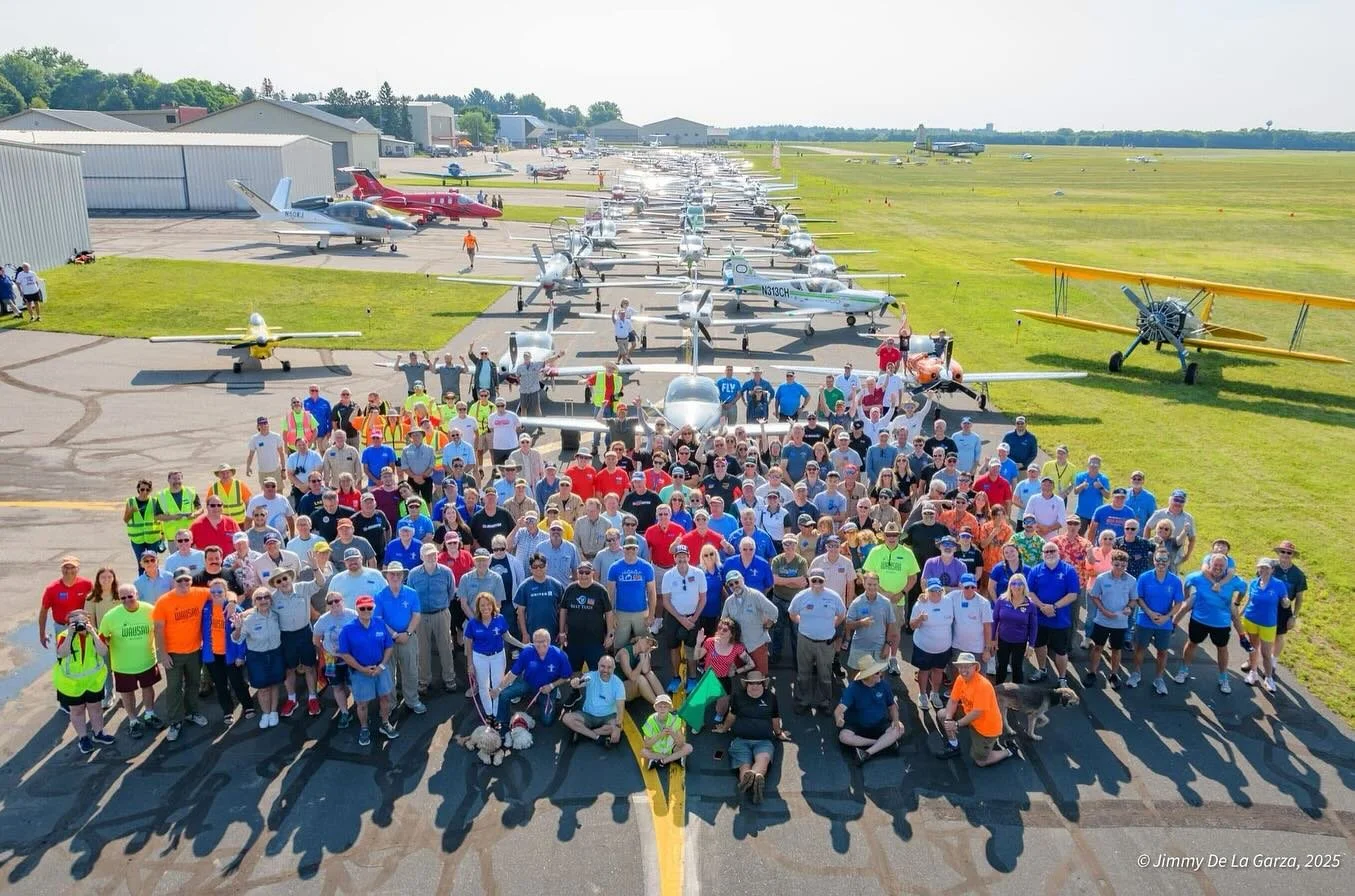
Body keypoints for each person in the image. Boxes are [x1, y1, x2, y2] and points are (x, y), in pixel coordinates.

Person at [1173, 552, 1247, 694]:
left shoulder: (1234, 581)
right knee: (1191, 644)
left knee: (1222, 648)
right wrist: (1187, 596)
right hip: (1199, 620)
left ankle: (1223, 677)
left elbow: (1244, 588)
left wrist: (1237, 602)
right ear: (1210, 565)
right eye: (1215, 565)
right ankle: (1184, 670)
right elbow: (1187, 582)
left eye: (1221, 566)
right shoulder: (1199, 577)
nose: (1218, 568)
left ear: (1227, 568)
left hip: (1221, 624)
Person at [151, 570, 210, 742]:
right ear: (174, 581)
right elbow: (158, 629)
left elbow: (221, 591)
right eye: (180, 580)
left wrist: (231, 601)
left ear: (191, 581)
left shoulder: (199, 593)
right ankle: (175, 721)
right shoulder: (164, 601)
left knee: (194, 683)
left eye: (187, 580)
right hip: (173, 654)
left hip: (194, 651)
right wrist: (163, 653)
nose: (184, 583)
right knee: (174, 688)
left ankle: (192, 712)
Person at [714, 669, 789, 804]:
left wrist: (778, 733)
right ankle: (756, 779)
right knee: (745, 765)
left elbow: (775, 717)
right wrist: (724, 728)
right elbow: (732, 715)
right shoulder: (738, 696)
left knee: (763, 759)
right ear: (747, 685)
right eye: (751, 684)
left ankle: (748, 782)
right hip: (741, 740)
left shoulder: (771, 697)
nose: (754, 686)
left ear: (763, 684)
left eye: (757, 683)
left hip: (763, 740)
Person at [336, 594, 400, 745]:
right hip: (360, 672)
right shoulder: (347, 629)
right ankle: (364, 728)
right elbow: (344, 654)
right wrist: (362, 669)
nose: (366, 610)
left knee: (385, 698)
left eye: (369, 608)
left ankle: (385, 723)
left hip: (380, 669)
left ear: (373, 609)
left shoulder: (380, 623)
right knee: (362, 704)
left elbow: (389, 646)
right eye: (362, 608)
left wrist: (382, 666)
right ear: (357, 610)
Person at [935, 652, 1018, 766]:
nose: (963, 670)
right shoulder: (960, 678)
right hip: (970, 716)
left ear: (975, 667)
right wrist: (949, 719)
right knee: (943, 715)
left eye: (967, 666)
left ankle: (1009, 751)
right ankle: (954, 745)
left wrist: (956, 724)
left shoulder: (983, 686)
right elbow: (953, 700)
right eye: (961, 666)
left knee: (980, 762)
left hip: (986, 727)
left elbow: (977, 713)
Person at [52, 608, 115, 753]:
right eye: (74, 622)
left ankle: (99, 733)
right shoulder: (63, 635)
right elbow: (62, 653)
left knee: (96, 709)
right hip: (71, 684)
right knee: (77, 711)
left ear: (88, 621)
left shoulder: (96, 634)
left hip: (93, 682)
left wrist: (92, 633)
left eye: (82, 621)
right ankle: (83, 738)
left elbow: (103, 652)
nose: (79, 624)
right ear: (68, 624)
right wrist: (70, 634)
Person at [788, 571, 846, 714]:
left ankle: (824, 702)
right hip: (805, 641)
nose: (817, 584)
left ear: (825, 581)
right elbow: (792, 614)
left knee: (825, 674)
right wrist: (802, 623)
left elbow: (842, 614)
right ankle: (803, 701)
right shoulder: (801, 596)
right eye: (814, 581)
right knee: (803, 673)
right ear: (809, 580)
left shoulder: (833, 597)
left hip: (825, 643)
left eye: (820, 581)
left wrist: (832, 625)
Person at [1128, 550, 1185, 695]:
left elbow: (1179, 603)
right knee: (1140, 648)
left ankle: (1159, 678)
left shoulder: (1175, 581)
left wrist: (1167, 617)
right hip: (1145, 619)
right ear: (1153, 560)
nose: (1161, 563)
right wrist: (1149, 612)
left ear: (1169, 562)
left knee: (1162, 652)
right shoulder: (1144, 577)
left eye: (1164, 560)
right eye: (1158, 560)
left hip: (1164, 623)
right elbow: (1139, 597)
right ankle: (1136, 673)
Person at [491, 628, 573, 729]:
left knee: (547, 721)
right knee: (504, 695)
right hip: (527, 683)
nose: (540, 645)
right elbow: (512, 674)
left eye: (543, 641)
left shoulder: (560, 655)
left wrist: (552, 686)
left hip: (546, 688)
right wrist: (498, 689)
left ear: (549, 641)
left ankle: (550, 701)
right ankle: (502, 723)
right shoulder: (527, 652)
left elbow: (567, 677)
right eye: (537, 642)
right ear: (533, 642)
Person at [1026, 542, 1081, 688]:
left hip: (1060, 619)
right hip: (1040, 616)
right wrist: (1043, 607)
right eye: (1046, 551)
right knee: (1039, 645)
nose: (1049, 554)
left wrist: (1054, 607)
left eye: (1052, 551)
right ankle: (1042, 670)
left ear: (1058, 552)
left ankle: (1062, 678)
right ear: (1042, 554)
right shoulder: (1035, 570)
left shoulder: (1069, 570)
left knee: (1061, 651)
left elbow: (1073, 594)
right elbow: (1030, 593)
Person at [374, 561, 425, 715]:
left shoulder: (411, 593)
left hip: (408, 638)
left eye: (398, 574)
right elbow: (379, 620)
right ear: (387, 576)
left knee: (411, 671)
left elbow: (416, 615)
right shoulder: (380, 595)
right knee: (388, 673)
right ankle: (390, 703)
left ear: (403, 576)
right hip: (387, 641)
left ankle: (412, 700)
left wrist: (407, 633)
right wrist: (395, 635)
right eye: (392, 574)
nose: (395, 576)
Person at [230, 588, 284, 728]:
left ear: (270, 600)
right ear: (254, 602)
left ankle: (273, 712)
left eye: (266, 597)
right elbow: (237, 639)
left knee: (274, 684)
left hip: (276, 653)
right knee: (263, 687)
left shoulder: (276, 615)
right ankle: (265, 713)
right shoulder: (248, 620)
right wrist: (237, 628)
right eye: (259, 598)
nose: (263, 600)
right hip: (257, 657)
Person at [835, 656, 905, 763]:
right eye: (877, 672)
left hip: (880, 724)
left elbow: (892, 706)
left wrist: (895, 720)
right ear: (868, 676)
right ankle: (883, 743)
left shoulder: (884, 685)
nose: (880, 674)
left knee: (900, 727)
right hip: (857, 725)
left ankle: (867, 753)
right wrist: (838, 719)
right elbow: (839, 710)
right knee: (843, 737)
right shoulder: (853, 688)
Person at [201, 578, 252, 722]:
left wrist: (241, 655)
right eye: (213, 592)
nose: (216, 594)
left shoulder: (234, 609)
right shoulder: (204, 608)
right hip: (212, 656)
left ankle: (248, 705)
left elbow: (242, 634)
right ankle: (227, 711)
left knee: (238, 682)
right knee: (221, 685)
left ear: (226, 592)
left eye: (219, 591)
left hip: (231, 655)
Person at [1084, 552, 1135, 689]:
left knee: (1116, 649)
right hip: (1102, 620)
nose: (1120, 568)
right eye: (1117, 564)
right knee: (1098, 647)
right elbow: (1094, 596)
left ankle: (1113, 674)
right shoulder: (1102, 578)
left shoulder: (1131, 580)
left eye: (1123, 565)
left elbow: (1133, 599)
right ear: (1112, 563)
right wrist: (1103, 610)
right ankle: (1092, 673)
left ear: (1127, 565)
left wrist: (1129, 608)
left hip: (1120, 622)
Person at [661, 544, 708, 692]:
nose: (681, 558)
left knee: (691, 648)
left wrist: (693, 619)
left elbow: (703, 598)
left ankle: (692, 678)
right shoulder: (668, 575)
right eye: (678, 556)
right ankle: (676, 677)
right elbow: (666, 601)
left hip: (693, 616)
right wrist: (681, 619)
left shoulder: (698, 573)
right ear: (674, 558)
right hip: (674, 618)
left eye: (684, 555)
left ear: (688, 556)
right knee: (674, 648)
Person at [1240, 557, 1287, 694]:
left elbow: (1284, 599)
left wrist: (1286, 602)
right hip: (1251, 619)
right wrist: (1239, 614)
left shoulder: (1278, 584)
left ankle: (1269, 678)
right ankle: (1253, 673)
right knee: (1253, 648)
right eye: (1261, 567)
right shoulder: (1254, 582)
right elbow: (1249, 601)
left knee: (1266, 653)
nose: (1263, 570)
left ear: (1272, 570)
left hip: (1268, 624)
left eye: (1266, 568)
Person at [312, 590, 358, 728]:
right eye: (330, 602)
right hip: (332, 659)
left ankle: (359, 710)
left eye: (337, 600)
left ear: (342, 601)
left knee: (353, 685)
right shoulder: (323, 620)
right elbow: (316, 640)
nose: (334, 604)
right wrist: (327, 651)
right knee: (337, 686)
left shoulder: (353, 615)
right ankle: (344, 713)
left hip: (351, 658)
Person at [563, 654, 627, 747]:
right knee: (566, 718)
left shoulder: (618, 684)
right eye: (602, 666)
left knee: (619, 728)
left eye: (609, 667)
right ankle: (596, 736)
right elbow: (580, 682)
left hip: (608, 716)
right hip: (588, 715)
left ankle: (584, 733)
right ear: (598, 666)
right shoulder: (590, 676)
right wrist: (575, 683)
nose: (605, 670)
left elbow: (620, 708)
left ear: (614, 668)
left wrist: (617, 727)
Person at [39, 556, 94, 651]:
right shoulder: (52, 589)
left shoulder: (87, 585)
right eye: (66, 568)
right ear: (61, 569)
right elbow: (43, 612)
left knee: (85, 655)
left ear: (78, 569)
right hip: (62, 628)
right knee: (63, 658)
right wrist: (42, 634)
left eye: (72, 568)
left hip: (82, 626)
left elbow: (96, 604)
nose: (69, 571)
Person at [1271, 539, 1307, 666]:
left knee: (1279, 636)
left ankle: (1273, 662)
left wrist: (1294, 616)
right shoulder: (1270, 567)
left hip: (1284, 608)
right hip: (1267, 605)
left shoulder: (1298, 575)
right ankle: (1252, 660)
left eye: (1289, 553)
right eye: (1283, 551)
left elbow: (1299, 598)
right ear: (1278, 552)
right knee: (1259, 634)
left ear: (1292, 555)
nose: (1285, 554)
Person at [640, 693, 693, 769]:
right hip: (656, 750)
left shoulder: (675, 720)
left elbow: (680, 744)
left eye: (665, 706)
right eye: (660, 706)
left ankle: (661, 761)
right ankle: (675, 758)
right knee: (643, 752)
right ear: (655, 708)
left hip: (672, 748)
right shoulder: (650, 721)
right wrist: (660, 735)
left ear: (670, 708)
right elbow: (647, 745)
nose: (662, 709)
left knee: (689, 748)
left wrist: (672, 733)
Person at [123, 479, 166, 563]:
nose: (145, 492)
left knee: (153, 562)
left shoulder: (155, 501)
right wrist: (131, 511)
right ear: (138, 489)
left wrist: (163, 536)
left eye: (147, 490)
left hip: (153, 538)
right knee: (141, 564)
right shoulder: (131, 501)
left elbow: (160, 518)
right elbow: (126, 520)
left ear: (150, 490)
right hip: (137, 539)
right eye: (142, 489)